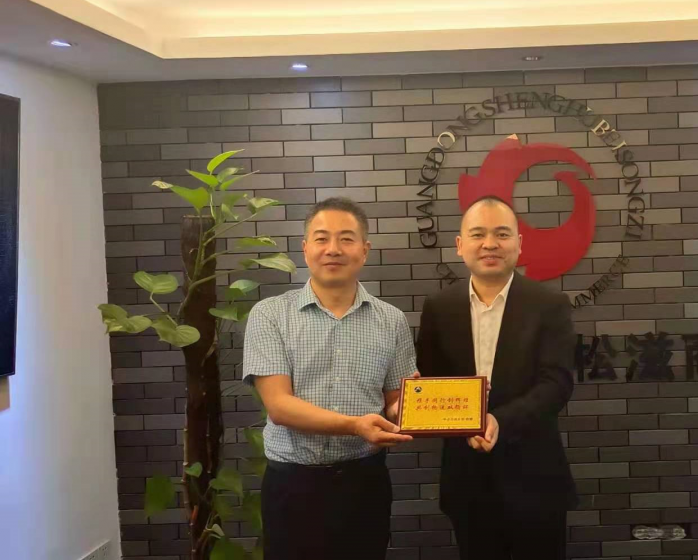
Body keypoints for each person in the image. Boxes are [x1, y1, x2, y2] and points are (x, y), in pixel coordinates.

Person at [242, 197, 416, 560]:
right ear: (306, 248)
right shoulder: (270, 315)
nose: (333, 249)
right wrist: (356, 425)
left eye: (346, 239)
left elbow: (393, 403)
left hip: (364, 485)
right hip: (292, 486)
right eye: (322, 238)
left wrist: (416, 408)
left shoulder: (392, 320)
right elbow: (279, 406)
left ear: (364, 250)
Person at [416, 195, 577, 560]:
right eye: (478, 234)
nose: (490, 243)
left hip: (535, 477)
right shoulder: (439, 308)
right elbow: (431, 380)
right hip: (466, 479)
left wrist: (499, 421)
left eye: (501, 234)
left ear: (519, 243)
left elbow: (556, 383)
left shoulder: (549, 304)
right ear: (460, 245)